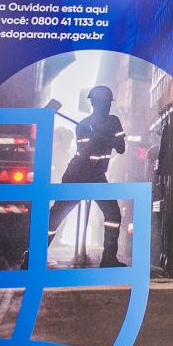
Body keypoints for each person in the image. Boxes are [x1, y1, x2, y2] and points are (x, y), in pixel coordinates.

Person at [47, 85, 127, 267]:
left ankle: (109, 258)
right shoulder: (83, 126)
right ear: (93, 104)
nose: (105, 107)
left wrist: (106, 137)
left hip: (98, 176)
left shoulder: (114, 122)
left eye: (107, 104)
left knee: (113, 215)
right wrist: (96, 139)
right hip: (77, 176)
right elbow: (84, 155)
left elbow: (121, 148)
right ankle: (32, 256)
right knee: (55, 218)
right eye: (102, 104)